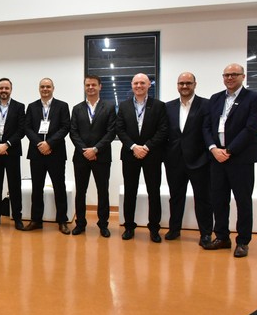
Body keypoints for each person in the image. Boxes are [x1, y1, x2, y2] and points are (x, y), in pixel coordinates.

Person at [202, 63, 257, 258]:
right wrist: (213, 148)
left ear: (243, 76)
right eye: (226, 75)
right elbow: (206, 127)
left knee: (243, 201)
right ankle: (222, 237)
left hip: (241, 158)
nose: (229, 78)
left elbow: (251, 129)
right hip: (217, 158)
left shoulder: (254, 98)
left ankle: (243, 241)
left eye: (234, 74)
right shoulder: (216, 98)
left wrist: (229, 150)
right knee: (218, 200)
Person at [116, 73, 168, 243]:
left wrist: (146, 147)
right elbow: (120, 129)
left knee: (154, 192)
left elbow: (163, 130)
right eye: (136, 83)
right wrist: (133, 147)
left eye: (142, 83)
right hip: (130, 154)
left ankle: (154, 228)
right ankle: (129, 227)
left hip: (151, 155)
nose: (139, 86)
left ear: (148, 85)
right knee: (130, 191)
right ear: (132, 85)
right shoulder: (123, 106)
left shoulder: (159, 105)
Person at [164, 72, 213, 246]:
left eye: (188, 83)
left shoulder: (206, 105)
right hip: (174, 160)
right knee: (176, 197)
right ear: (177, 85)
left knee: (203, 198)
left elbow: (209, 131)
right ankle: (174, 229)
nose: (184, 86)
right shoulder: (168, 107)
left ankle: (205, 233)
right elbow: (165, 133)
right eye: (181, 83)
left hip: (199, 160)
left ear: (195, 84)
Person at [69, 75, 116, 237]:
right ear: (84, 87)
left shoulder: (109, 107)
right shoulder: (77, 108)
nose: (90, 87)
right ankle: (80, 223)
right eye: (87, 85)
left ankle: (103, 224)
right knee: (80, 192)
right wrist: (85, 150)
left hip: (101, 157)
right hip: (81, 157)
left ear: (100, 86)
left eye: (93, 85)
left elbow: (111, 132)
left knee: (103, 191)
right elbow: (73, 132)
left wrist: (95, 149)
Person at [23, 78, 71, 234]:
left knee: (59, 187)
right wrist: (40, 144)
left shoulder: (62, 106)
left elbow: (65, 127)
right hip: (36, 153)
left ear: (53, 88)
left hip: (56, 153)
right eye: (42, 86)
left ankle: (62, 220)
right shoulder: (32, 106)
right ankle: (36, 220)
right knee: (37, 188)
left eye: (48, 86)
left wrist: (49, 144)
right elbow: (27, 128)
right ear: (39, 89)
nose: (45, 89)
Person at [0, 78, 26, 230]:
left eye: (6, 88)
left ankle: (17, 217)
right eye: (1, 88)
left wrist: (7, 144)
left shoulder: (19, 107)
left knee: (15, 185)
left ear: (11, 90)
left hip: (12, 152)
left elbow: (21, 130)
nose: (3, 91)